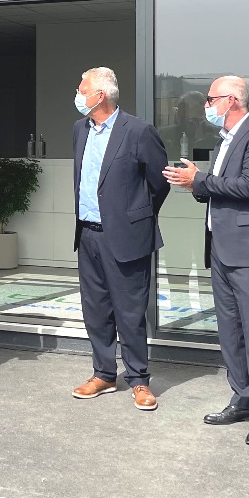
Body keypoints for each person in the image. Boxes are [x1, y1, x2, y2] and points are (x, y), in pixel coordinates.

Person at [162, 76, 249, 446]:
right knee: (230, 331)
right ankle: (243, 398)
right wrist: (194, 184)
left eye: (210, 99)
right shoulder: (224, 140)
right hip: (221, 247)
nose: (206, 105)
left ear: (230, 100)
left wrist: (200, 180)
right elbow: (218, 189)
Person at [71, 67, 169, 410]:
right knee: (95, 310)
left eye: (82, 90)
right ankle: (103, 374)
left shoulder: (139, 131)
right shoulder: (80, 129)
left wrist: (134, 216)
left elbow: (159, 182)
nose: (77, 95)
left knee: (130, 312)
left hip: (127, 236)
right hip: (88, 234)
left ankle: (139, 379)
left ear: (100, 96)